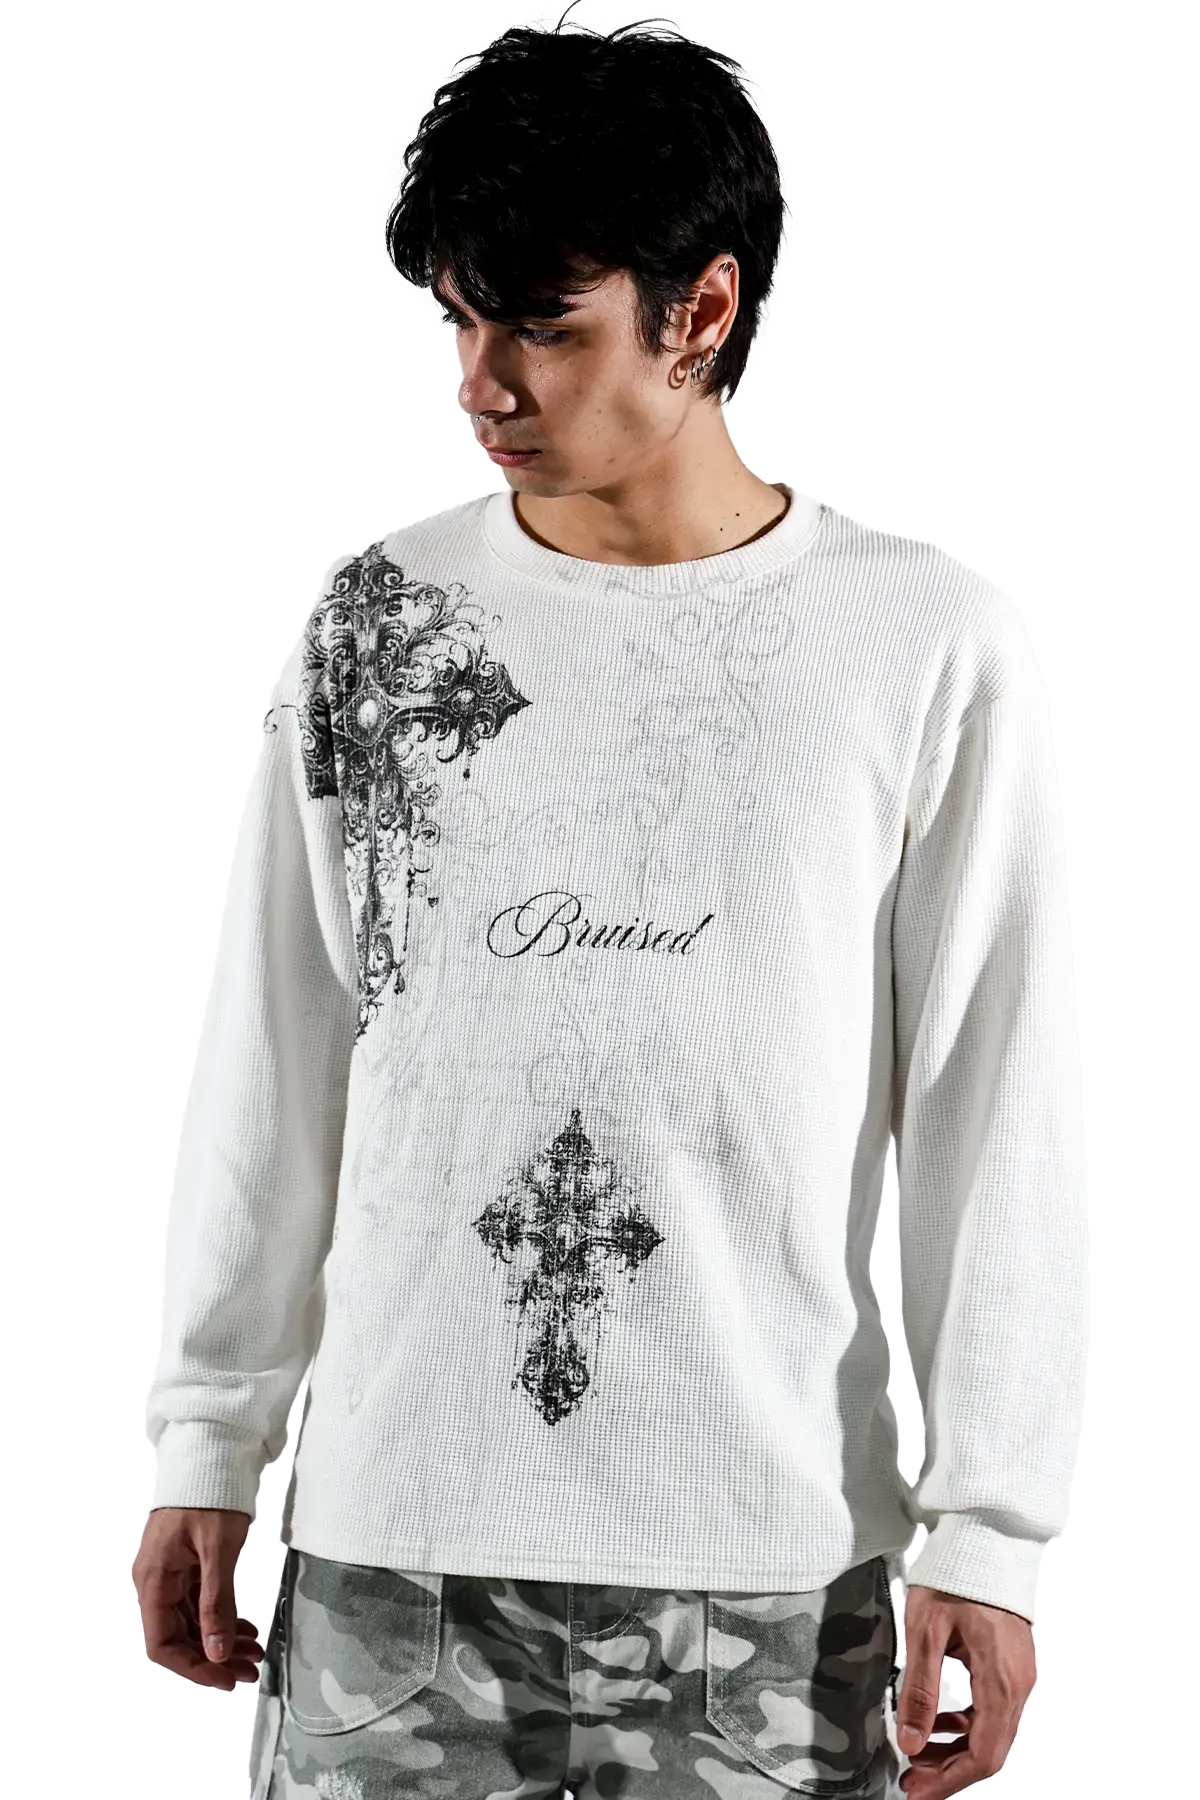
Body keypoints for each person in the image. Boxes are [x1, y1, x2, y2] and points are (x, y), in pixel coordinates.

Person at [134, 9, 1088, 1799]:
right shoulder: (380, 620)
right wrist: (207, 1429)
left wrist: (991, 1527)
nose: (482, 384)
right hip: (393, 1554)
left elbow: (996, 1107)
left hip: (773, 1577)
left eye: (544, 328)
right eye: (459, 323)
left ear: (701, 312)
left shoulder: (922, 642)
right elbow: (274, 1049)